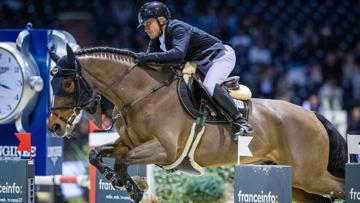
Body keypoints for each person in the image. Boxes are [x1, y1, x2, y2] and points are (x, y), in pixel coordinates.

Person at [134, 1, 253, 139]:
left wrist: (147, 57)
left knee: (209, 86)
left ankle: (241, 122)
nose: (145, 28)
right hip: (201, 64)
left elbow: (178, 55)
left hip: (220, 58)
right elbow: (152, 62)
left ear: (161, 20)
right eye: (144, 25)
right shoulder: (157, 38)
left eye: (147, 23)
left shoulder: (177, 28)